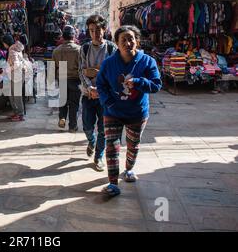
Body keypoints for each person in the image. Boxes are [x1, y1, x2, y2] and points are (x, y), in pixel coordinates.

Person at [96, 25, 162, 197]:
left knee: (133, 145)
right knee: (111, 146)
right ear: (117, 44)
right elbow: (101, 84)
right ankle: (112, 183)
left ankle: (129, 169)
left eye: (131, 38)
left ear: (137, 41)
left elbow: (156, 85)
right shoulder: (109, 63)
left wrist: (139, 82)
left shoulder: (147, 61)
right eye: (123, 39)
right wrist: (108, 102)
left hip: (137, 113)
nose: (127, 42)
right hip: (113, 112)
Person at [79, 15, 117, 171]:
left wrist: (95, 73)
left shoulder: (111, 48)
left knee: (103, 129)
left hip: (105, 95)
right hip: (88, 94)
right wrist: (90, 88)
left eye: (98, 30)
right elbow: (82, 72)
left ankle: (98, 157)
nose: (95, 33)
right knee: (87, 126)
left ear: (104, 29)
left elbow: (113, 73)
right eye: (91, 30)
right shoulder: (85, 48)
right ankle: (91, 141)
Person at [52, 25, 81, 132]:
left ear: (63, 37)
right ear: (73, 36)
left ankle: (62, 118)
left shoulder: (56, 51)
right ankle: (72, 126)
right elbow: (82, 67)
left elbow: (53, 68)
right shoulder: (79, 50)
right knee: (74, 104)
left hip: (62, 79)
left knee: (63, 101)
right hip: (75, 80)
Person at [1, 34, 29, 122]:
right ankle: (17, 112)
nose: (3, 45)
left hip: (16, 74)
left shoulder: (12, 49)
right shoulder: (18, 48)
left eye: (3, 43)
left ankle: (20, 114)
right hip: (19, 74)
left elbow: (16, 64)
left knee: (16, 95)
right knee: (13, 94)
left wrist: (8, 69)